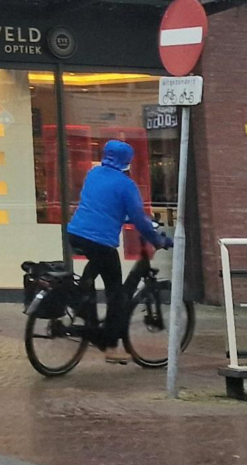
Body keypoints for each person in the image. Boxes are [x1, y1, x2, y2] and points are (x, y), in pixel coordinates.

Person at [64, 139, 171, 363]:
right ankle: (110, 347)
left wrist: (122, 217)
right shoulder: (125, 185)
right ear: (127, 161)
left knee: (94, 269)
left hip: (75, 232)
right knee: (117, 293)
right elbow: (139, 219)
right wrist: (157, 240)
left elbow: (102, 205)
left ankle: (86, 310)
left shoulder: (93, 173)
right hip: (100, 240)